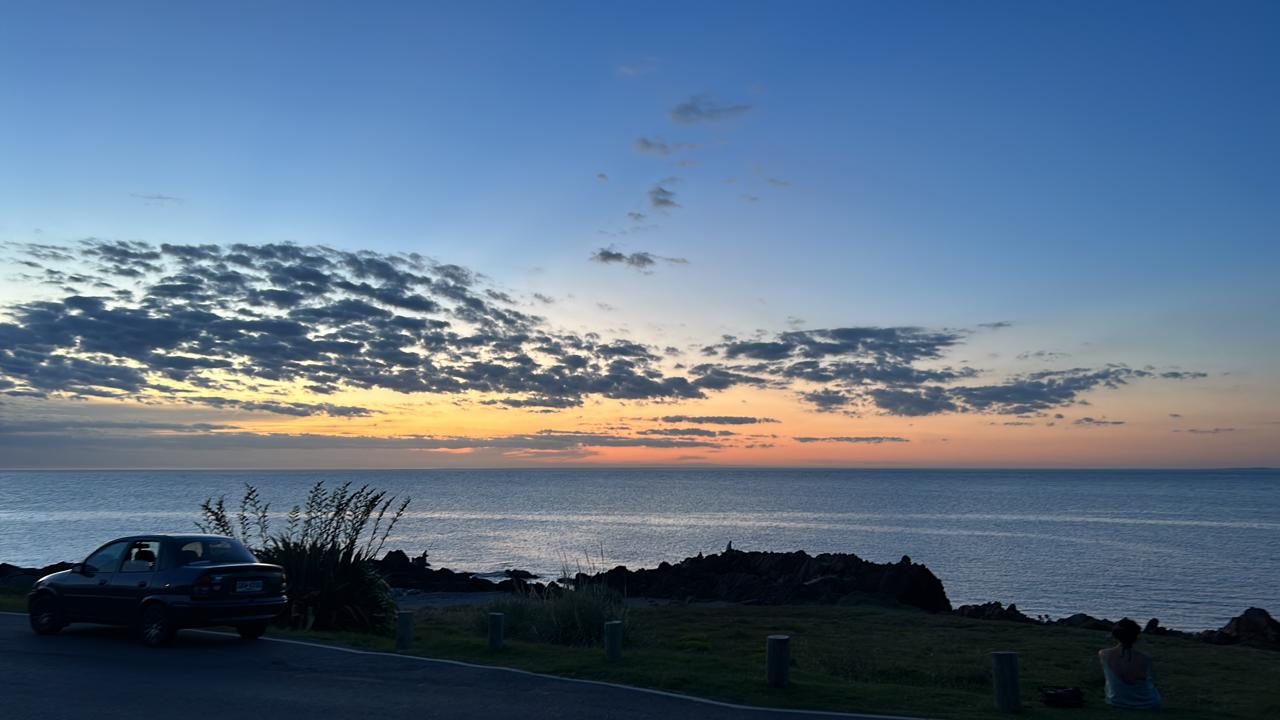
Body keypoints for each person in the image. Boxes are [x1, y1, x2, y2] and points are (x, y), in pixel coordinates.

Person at [1099, 618, 1163, 710]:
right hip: (1148, 703)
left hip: (1117, 701)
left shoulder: (1104, 654)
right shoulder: (1146, 657)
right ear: (1136, 636)